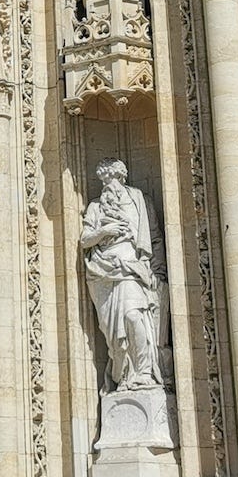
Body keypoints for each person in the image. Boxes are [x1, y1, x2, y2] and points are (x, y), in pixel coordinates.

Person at [80, 158, 166, 393]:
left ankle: (145, 372)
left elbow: (155, 238)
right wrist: (104, 230)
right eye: (105, 180)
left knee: (133, 316)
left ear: (122, 177)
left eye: (114, 178)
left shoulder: (139, 200)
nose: (109, 185)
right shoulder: (96, 207)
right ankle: (125, 374)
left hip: (132, 269)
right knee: (112, 330)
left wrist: (157, 270)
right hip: (103, 272)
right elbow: (85, 240)